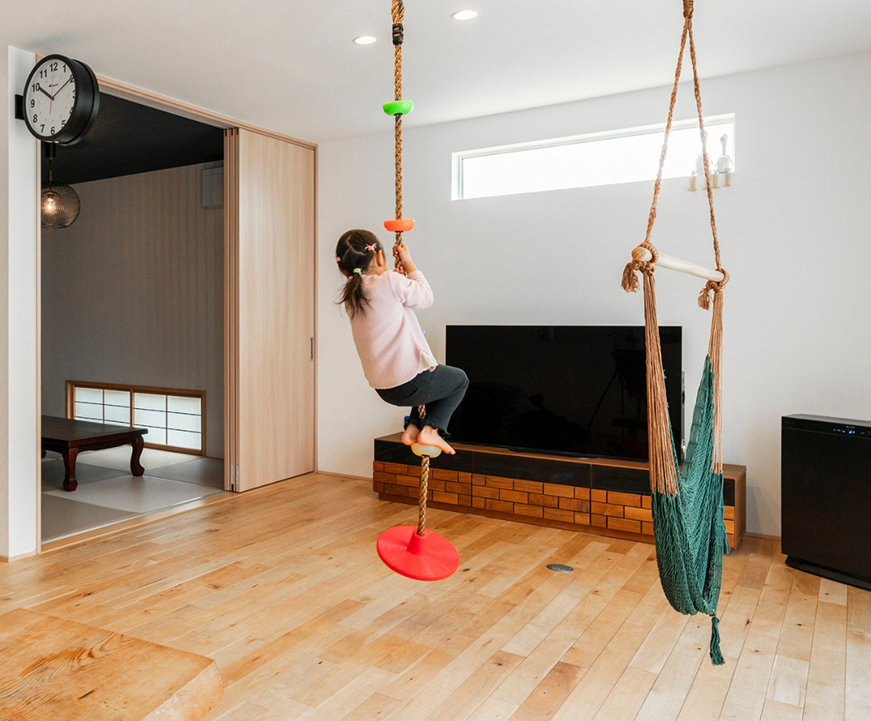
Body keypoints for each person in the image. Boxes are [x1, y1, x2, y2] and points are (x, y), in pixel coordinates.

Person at [335, 229, 468, 455]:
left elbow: (385, 305)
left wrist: (395, 280)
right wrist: (409, 264)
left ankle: (413, 428)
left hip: (385, 388)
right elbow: (426, 297)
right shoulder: (389, 281)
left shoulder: (353, 296)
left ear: (343, 269)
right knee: (459, 381)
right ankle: (432, 430)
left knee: (427, 377)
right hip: (409, 382)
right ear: (379, 257)